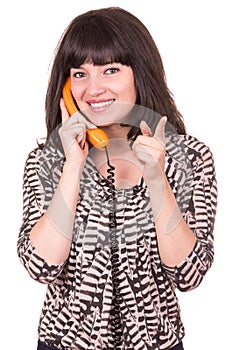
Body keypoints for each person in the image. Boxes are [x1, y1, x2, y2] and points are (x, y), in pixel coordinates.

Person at [17, 7, 217, 350]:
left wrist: (157, 178)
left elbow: (188, 273)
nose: (93, 89)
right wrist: (72, 167)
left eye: (111, 70)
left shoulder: (192, 158)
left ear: (140, 73)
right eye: (79, 74)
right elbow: (41, 267)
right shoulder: (47, 161)